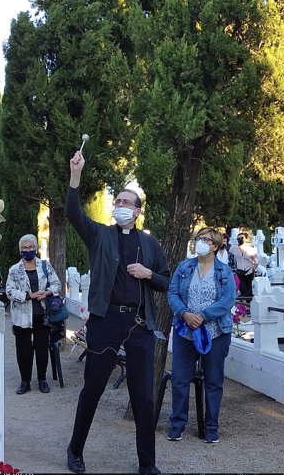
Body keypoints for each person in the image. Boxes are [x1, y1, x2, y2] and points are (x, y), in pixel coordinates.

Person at [65, 150, 170, 475]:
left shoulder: (150, 245)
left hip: (139, 325)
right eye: (119, 202)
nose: (120, 206)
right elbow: (73, 214)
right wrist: (76, 175)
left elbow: (165, 280)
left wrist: (148, 275)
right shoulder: (100, 235)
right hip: (105, 321)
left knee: (143, 398)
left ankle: (147, 464)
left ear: (138, 212)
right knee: (93, 389)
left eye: (127, 203)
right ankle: (75, 450)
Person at [167, 228, 237, 445]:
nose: (200, 243)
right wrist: (185, 314)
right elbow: (173, 293)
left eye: (205, 239)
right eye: (199, 239)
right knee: (179, 378)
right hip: (185, 332)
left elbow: (228, 300)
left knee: (214, 380)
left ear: (215, 246)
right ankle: (177, 424)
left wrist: (204, 316)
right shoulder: (184, 267)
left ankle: (211, 427)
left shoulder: (224, 272)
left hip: (215, 333)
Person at [5, 234, 62, 395]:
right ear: (20, 250)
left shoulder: (45, 266)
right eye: (24, 248)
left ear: (36, 248)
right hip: (22, 317)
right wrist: (28, 295)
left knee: (42, 348)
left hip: (42, 315)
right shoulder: (14, 270)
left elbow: (57, 283)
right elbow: (9, 291)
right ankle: (25, 381)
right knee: (23, 350)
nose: (27, 250)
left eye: (30, 247)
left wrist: (48, 292)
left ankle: (42, 380)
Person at [230, 231, 258, 297]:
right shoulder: (233, 249)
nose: (240, 240)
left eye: (241, 238)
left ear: (245, 238)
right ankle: (244, 303)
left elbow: (256, 261)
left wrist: (253, 269)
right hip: (239, 271)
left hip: (249, 271)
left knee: (249, 289)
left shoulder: (250, 249)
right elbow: (230, 259)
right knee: (242, 288)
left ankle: (249, 303)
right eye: (238, 238)